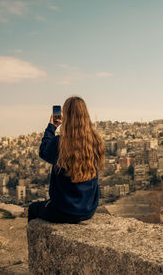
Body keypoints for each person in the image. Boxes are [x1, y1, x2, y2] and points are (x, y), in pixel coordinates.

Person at [28, 96, 105, 224]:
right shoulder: (96, 141)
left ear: (66, 116)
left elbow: (43, 152)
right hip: (89, 210)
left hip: (63, 210)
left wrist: (52, 127)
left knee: (33, 208)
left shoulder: (61, 143)